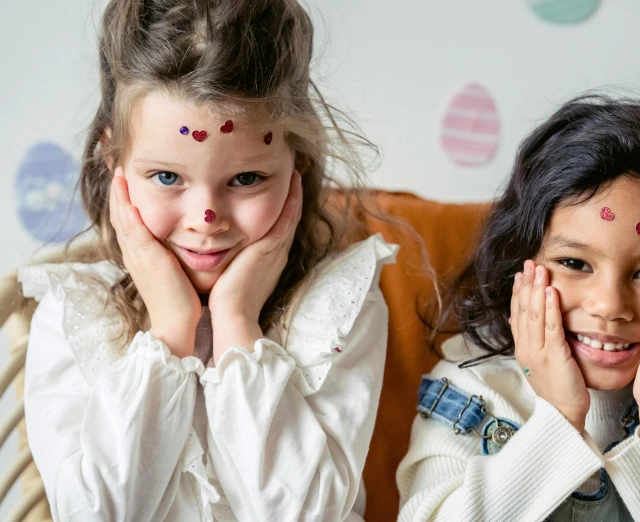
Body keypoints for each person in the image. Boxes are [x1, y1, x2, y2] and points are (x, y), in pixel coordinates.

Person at [19, 0, 397, 520]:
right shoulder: (75, 313)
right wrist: (173, 329)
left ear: (298, 165)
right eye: (167, 177)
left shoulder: (338, 305)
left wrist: (237, 321)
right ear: (115, 163)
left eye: (246, 179)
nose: (206, 217)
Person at [397, 95, 640, 521]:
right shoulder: (470, 391)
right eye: (575, 264)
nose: (610, 306)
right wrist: (560, 414)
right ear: (519, 264)